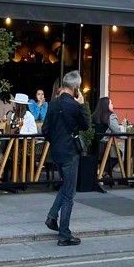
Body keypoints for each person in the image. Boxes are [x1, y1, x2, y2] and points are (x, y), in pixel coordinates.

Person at [42, 70, 89, 247]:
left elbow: (45, 130)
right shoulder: (75, 106)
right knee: (69, 193)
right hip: (70, 152)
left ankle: (52, 216)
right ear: (76, 88)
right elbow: (86, 125)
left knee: (66, 185)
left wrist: (55, 141)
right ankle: (64, 234)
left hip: (56, 151)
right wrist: (82, 105)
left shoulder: (53, 104)